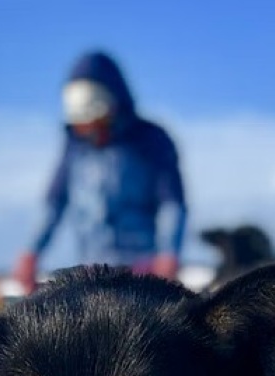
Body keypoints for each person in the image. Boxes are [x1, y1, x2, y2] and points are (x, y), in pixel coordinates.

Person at [14, 50, 188, 294]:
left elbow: (172, 204)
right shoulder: (74, 148)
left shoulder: (151, 140)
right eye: (83, 127)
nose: (91, 132)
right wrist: (30, 253)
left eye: (97, 123)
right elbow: (53, 205)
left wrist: (168, 254)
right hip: (93, 271)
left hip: (142, 270)